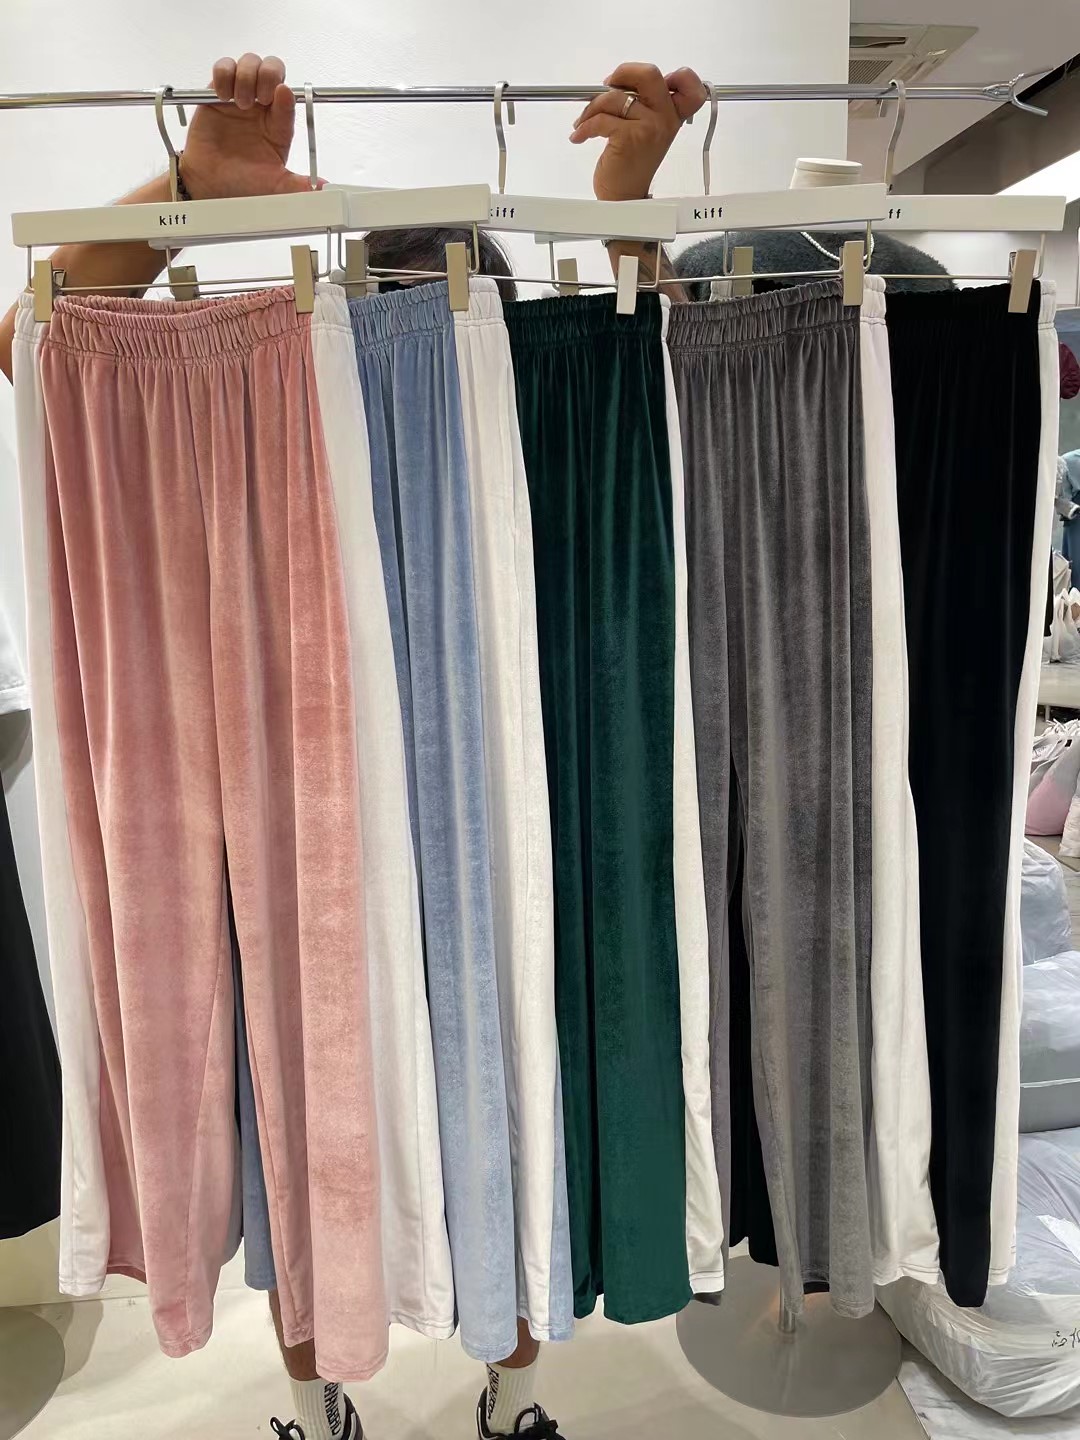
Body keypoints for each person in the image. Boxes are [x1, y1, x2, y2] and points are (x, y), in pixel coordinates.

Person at [0, 52, 706, 1440]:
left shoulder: (527, 406)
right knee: (309, 1072)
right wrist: (191, 187)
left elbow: (663, 362)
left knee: (496, 1066)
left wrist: (627, 205)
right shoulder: (269, 407)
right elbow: (44, 345)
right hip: (311, 827)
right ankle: (342, 1397)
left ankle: (489, 1388)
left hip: (488, 813)